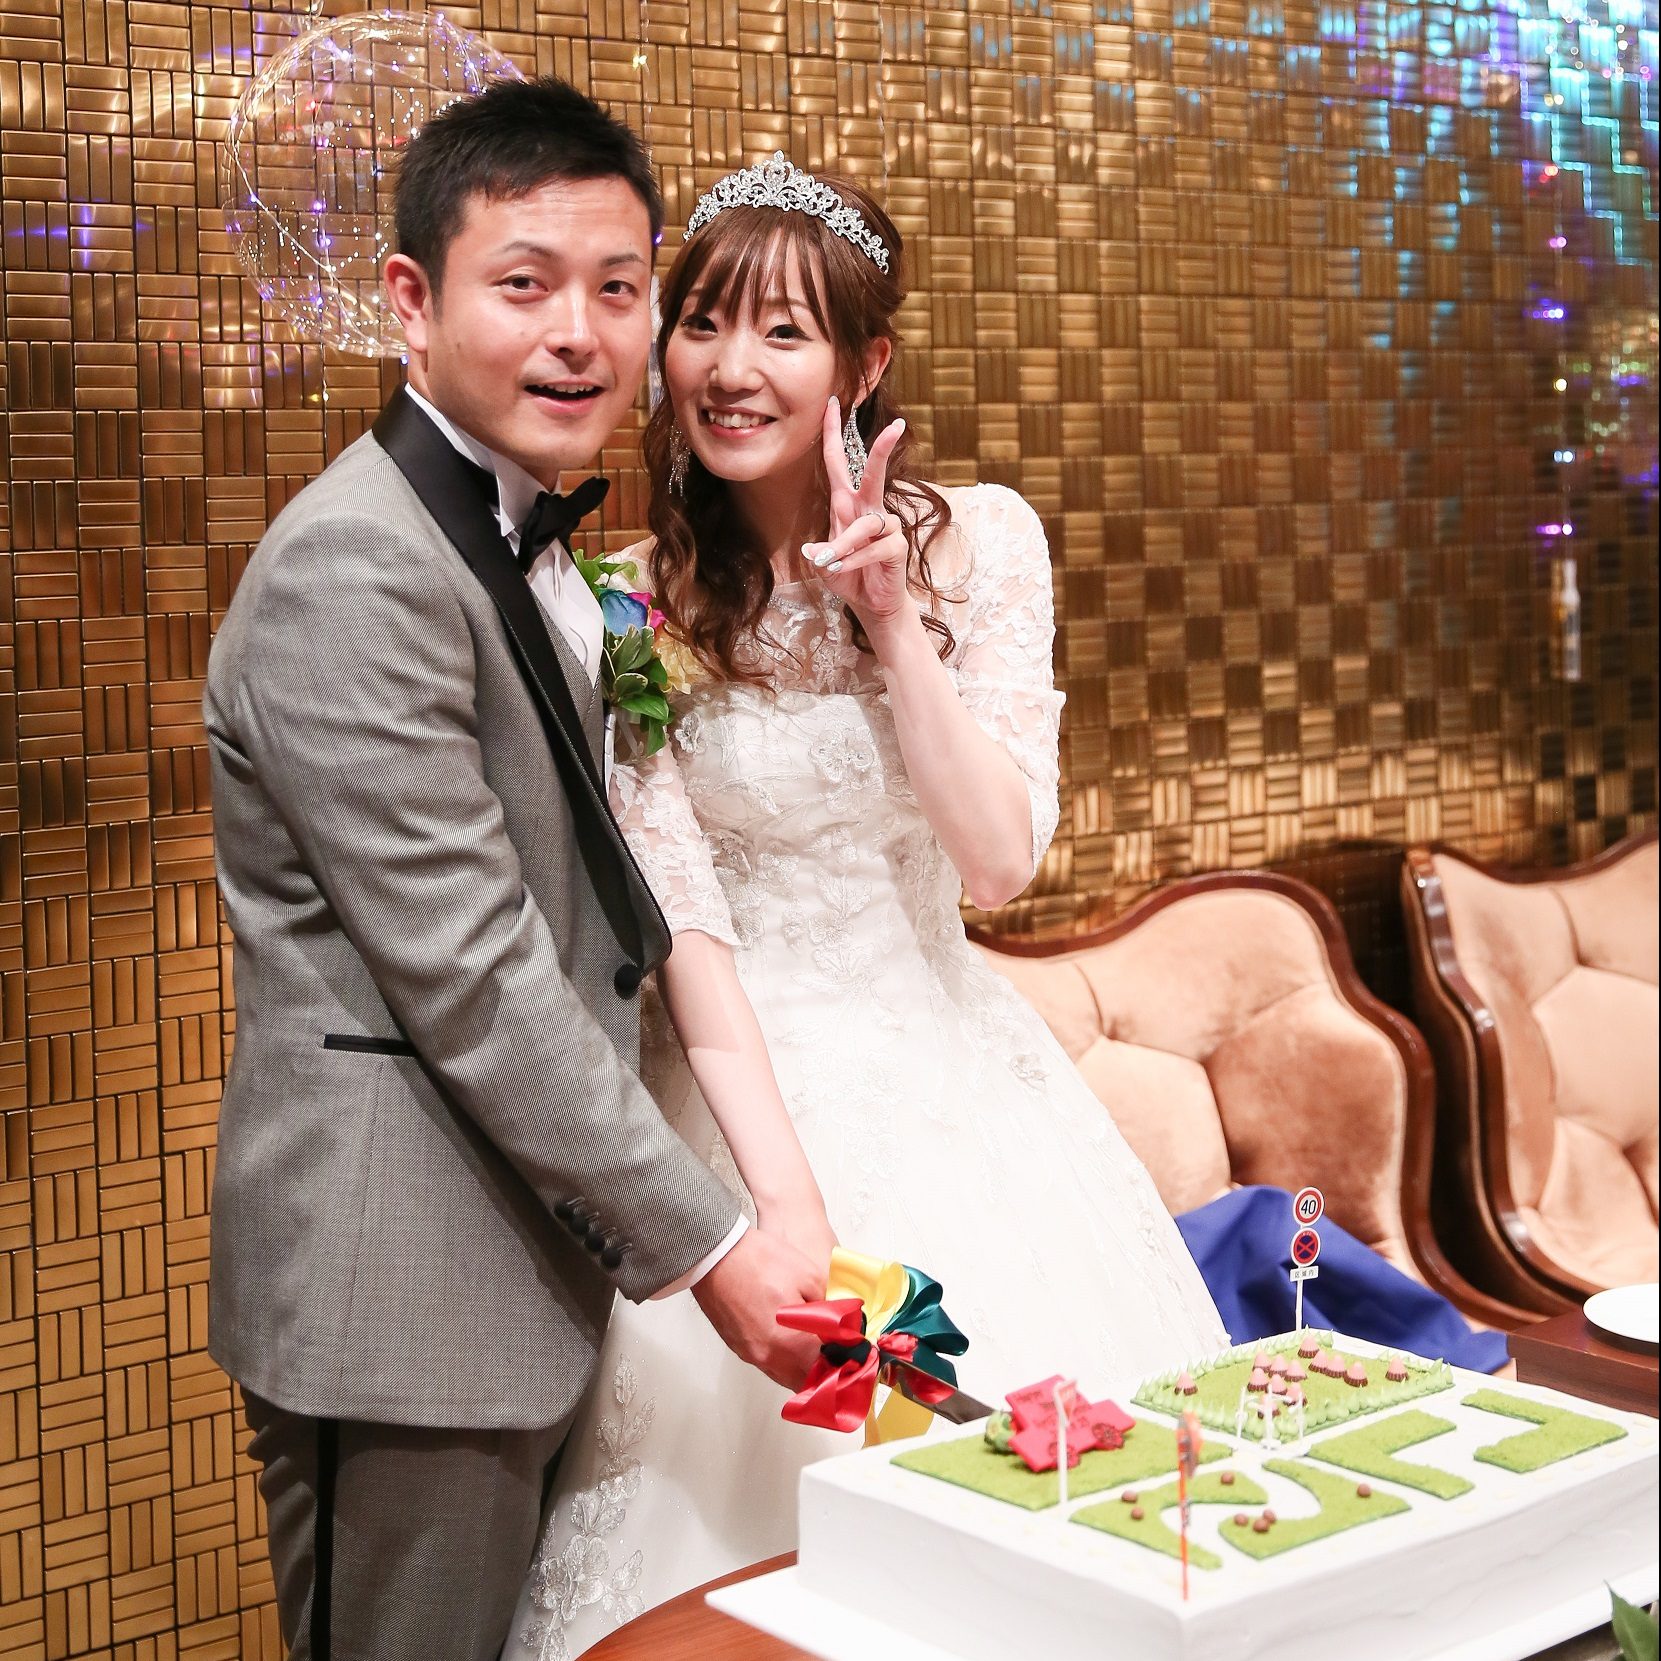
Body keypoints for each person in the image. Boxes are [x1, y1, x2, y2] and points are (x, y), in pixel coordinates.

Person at [507, 154, 1227, 1660]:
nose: (731, 368)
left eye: (783, 332)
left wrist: (893, 624)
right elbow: (684, 920)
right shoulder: (623, 598)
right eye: (703, 323)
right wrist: (784, 1210)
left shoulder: (980, 541)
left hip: (959, 1077)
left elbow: (998, 863)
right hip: (731, 1103)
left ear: (864, 362)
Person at [203, 82, 828, 1661]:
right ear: (412, 302)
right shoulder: (356, 563)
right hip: (400, 1292)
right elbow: (474, 972)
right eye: (524, 283)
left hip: (516, 1267)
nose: (578, 334)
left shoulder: (519, 548)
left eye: (617, 288)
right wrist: (711, 1247)